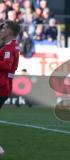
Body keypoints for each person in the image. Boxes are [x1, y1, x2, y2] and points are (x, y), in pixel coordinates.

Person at [0, 20, 21, 154]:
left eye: (4, 28)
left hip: (2, 86)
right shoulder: (8, 46)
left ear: (10, 32)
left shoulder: (9, 48)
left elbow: (7, 66)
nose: (2, 29)